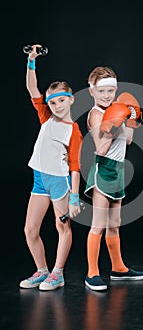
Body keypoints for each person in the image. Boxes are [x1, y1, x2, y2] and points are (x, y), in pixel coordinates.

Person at [19, 44, 83, 291]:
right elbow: (31, 88)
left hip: (58, 182)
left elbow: (75, 166)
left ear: (71, 100)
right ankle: (42, 270)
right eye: (52, 102)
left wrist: (75, 197)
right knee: (30, 229)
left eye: (61, 101)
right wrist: (31, 60)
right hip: (39, 179)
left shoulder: (73, 130)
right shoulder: (45, 116)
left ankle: (57, 274)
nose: (56, 106)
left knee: (62, 227)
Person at [84, 66, 143, 291]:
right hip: (103, 169)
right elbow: (101, 149)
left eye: (111, 91)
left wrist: (130, 119)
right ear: (92, 91)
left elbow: (128, 142)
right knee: (98, 224)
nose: (107, 96)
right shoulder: (95, 114)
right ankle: (92, 272)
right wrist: (114, 124)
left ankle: (118, 268)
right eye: (102, 92)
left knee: (115, 224)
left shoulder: (116, 109)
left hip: (119, 170)